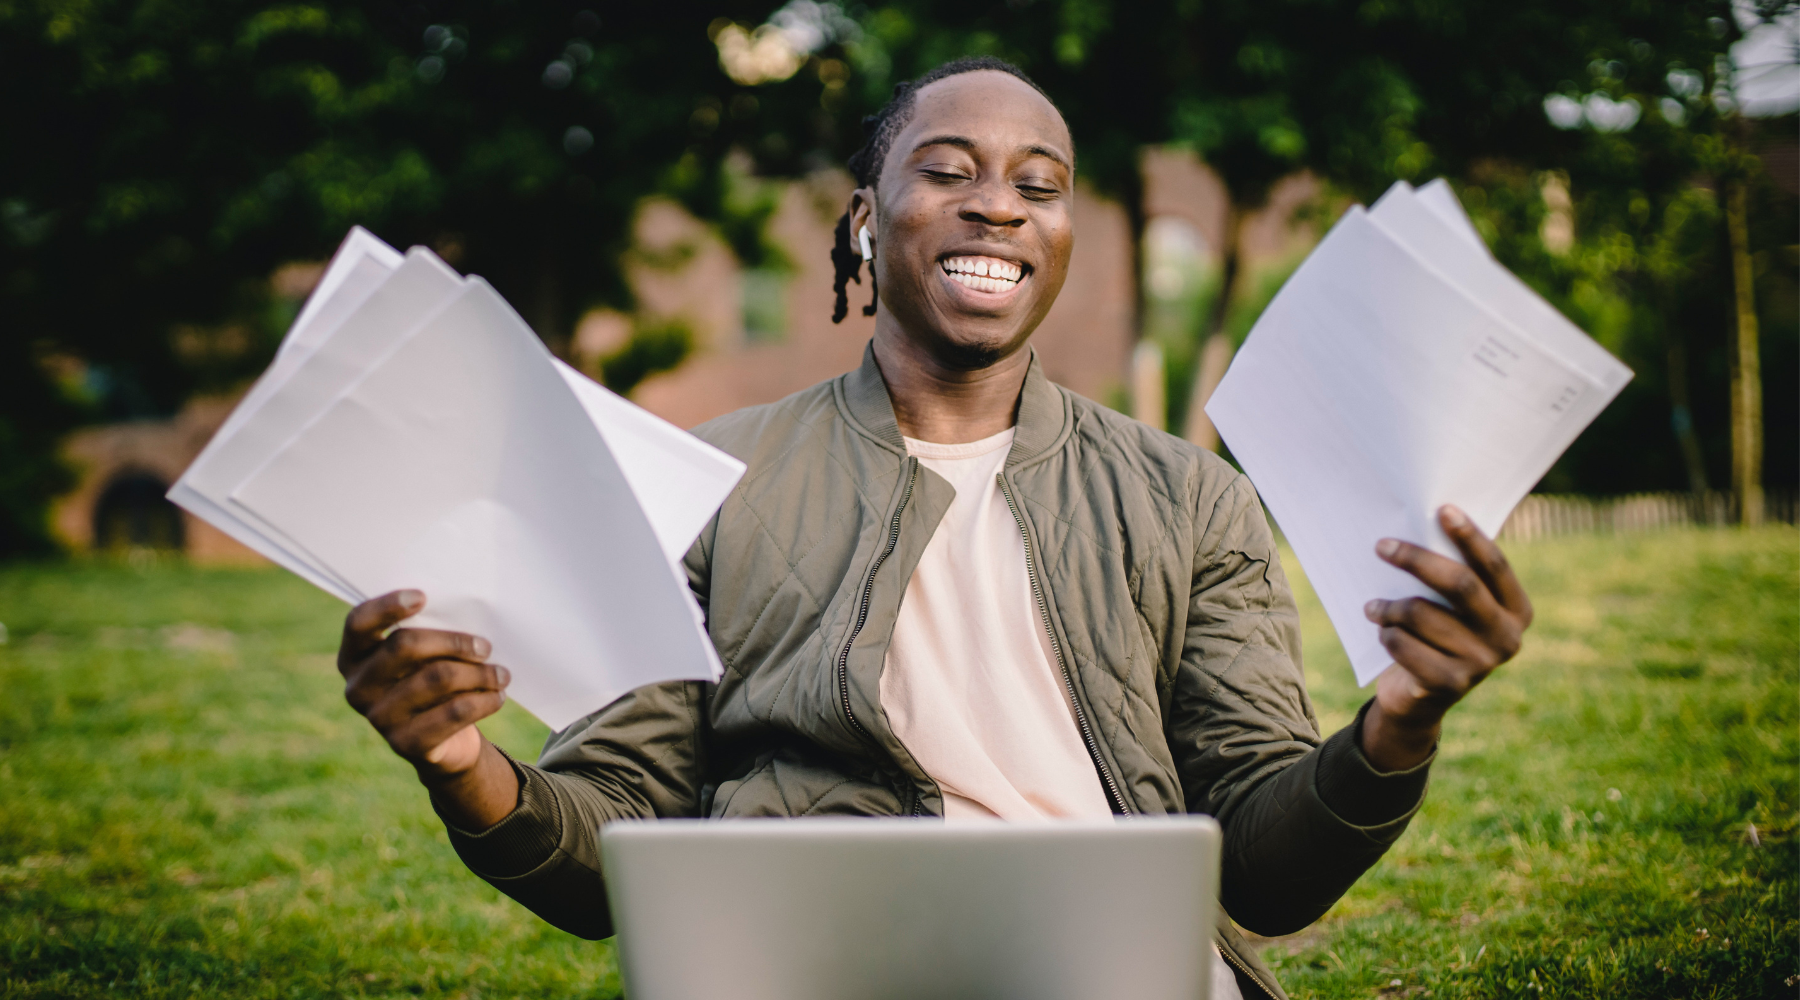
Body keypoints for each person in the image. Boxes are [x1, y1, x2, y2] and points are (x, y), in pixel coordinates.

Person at [333, 57, 1533, 1000]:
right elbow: (613, 846)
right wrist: (461, 765)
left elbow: (1267, 870)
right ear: (866, 220)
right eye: (948, 168)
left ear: (1064, 235)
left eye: (1039, 183)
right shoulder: (709, 480)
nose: (998, 205)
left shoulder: (1190, 500)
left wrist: (1397, 726)